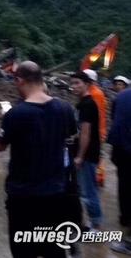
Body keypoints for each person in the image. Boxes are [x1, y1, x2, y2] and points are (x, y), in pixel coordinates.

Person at [0, 61, 78, 258]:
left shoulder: (15, 114)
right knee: (53, 250)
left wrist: (5, 119)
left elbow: (0, 146)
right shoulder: (65, 109)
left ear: (19, 80)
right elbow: (69, 136)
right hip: (55, 194)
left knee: (23, 250)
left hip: (23, 197)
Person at [70, 71, 103, 230]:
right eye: (73, 83)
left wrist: (80, 156)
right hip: (85, 153)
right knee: (86, 189)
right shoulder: (82, 103)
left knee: (89, 191)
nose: (74, 86)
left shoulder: (88, 105)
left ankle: (96, 226)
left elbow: (86, 133)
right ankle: (92, 222)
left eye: (78, 83)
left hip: (88, 154)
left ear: (87, 84)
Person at [108, 88, 131, 254]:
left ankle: (128, 240)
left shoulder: (122, 96)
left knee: (126, 192)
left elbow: (115, 121)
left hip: (123, 152)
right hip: (124, 151)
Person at [83, 69, 108, 186]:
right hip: (98, 129)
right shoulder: (95, 92)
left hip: (97, 130)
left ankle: (99, 178)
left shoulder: (95, 94)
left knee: (97, 156)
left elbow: (94, 115)